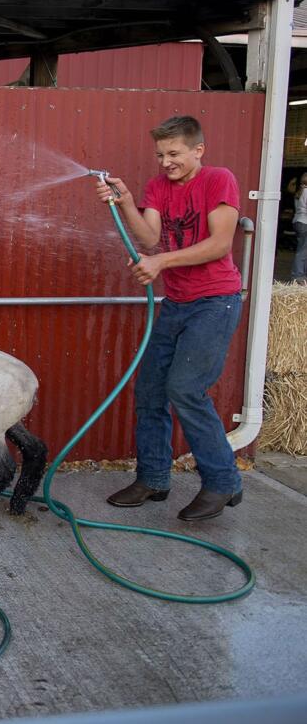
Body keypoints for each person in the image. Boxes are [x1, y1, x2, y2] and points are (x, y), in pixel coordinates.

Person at [94, 115, 244, 522]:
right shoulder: (158, 187)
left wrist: (160, 262)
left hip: (216, 301)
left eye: (175, 153)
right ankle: (154, 478)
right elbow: (148, 239)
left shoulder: (218, 179)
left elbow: (219, 244)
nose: (166, 161)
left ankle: (223, 481)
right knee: (150, 392)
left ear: (198, 150)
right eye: (160, 154)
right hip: (176, 303)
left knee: (186, 389)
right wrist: (125, 200)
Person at [292, 170, 307, 285]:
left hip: (298, 221)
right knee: (303, 250)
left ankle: (300, 274)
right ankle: (298, 275)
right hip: (305, 222)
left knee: (302, 248)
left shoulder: (300, 191)